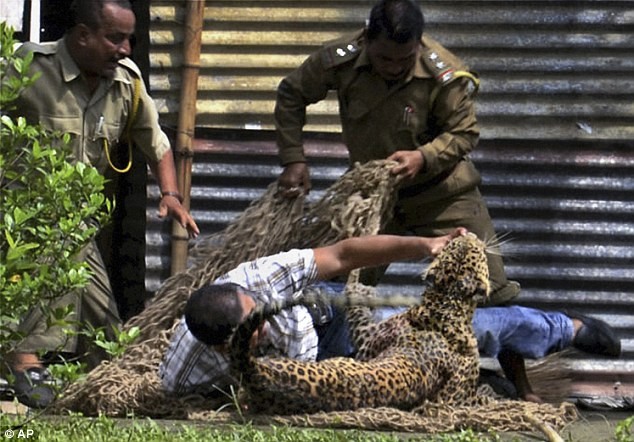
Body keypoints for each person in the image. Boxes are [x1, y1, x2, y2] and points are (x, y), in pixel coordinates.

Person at [3, 0, 199, 408]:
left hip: (75, 221)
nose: (125, 48)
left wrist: (170, 194)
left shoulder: (126, 82)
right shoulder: (27, 66)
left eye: (129, 39)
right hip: (21, 218)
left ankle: (101, 385)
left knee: (105, 327)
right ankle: (23, 364)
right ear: (82, 36)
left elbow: (156, 143)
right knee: (26, 289)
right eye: (115, 38)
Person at [274, 0, 519, 306]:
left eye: (404, 59)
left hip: (442, 196)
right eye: (383, 58)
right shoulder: (340, 60)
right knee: (332, 286)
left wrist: (423, 157)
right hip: (372, 199)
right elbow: (291, 94)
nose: (393, 67)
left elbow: (464, 133)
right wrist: (293, 158)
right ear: (366, 39)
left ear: (418, 44)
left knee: (489, 290)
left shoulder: (443, 74)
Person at [159, 228, 467, 397]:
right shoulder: (185, 373)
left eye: (260, 313)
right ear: (222, 347)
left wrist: (427, 245)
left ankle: (514, 324)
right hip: (308, 373)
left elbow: (343, 254)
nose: (264, 323)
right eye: (253, 325)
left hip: (329, 319)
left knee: (434, 331)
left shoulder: (260, 279)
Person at [371, 304, 622, 403]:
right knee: (490, 327)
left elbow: (510, 346)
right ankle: (566, 328)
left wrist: (525, 392)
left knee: (494, 332)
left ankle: (565, 328)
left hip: (406, 341)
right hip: (399, 335)